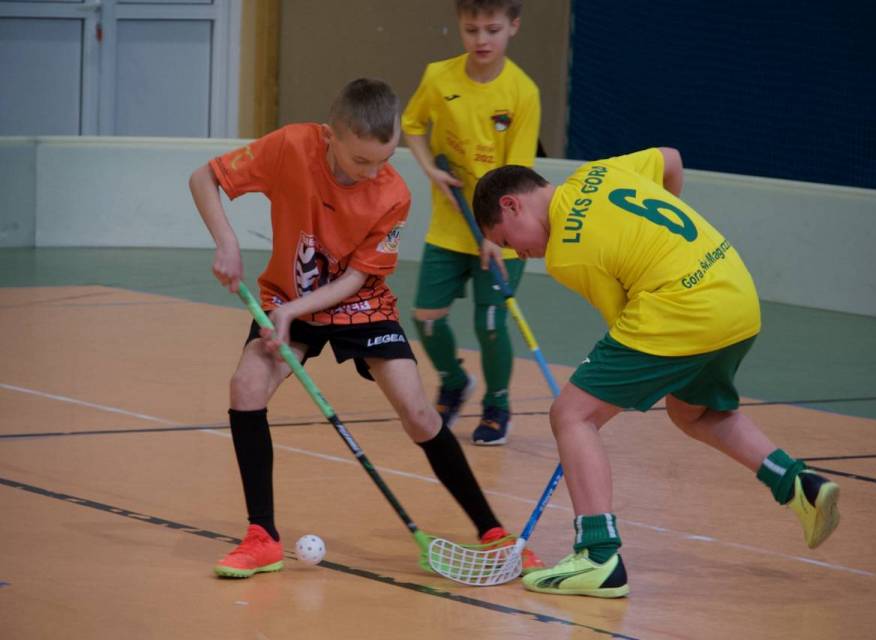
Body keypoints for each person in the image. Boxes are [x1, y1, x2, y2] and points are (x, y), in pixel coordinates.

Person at [188, 78, 542, 578]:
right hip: (289, 293)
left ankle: (492, 532)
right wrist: (226, 243)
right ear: (330, 135)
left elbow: (356, 278)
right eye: (361, 161)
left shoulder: (393, 193)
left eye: (386, 158)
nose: (374, 172)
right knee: (246, 387)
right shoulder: (291, 146)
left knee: (418, 411)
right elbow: (204, 178)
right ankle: (262, 537)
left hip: (361, 304)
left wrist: (292, 312)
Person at [472, 148, 841, 598]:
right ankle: (797, 483)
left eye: (508, 241)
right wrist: (663, 248)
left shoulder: (566, 253)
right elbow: (671, 160)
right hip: (736, 295)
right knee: (693, 412)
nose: (519, 254)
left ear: (512, 204)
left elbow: (623, 321)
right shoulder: (597, 172)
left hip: (682, 309)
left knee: (572, 414)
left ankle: (598, 556)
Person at [401, 0, 541, 445]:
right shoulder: (438, 77)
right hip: (449, 226)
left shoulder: (523, 92)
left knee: (492, 323)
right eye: (471, 29)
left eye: (492, 30)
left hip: (504, 229)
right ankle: (455, 381)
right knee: (425, 317)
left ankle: (498, 404)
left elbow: (518, 177)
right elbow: (412, 124)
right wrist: (430, 169)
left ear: (513, 26)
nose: (481, 39)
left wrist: (497, 235)